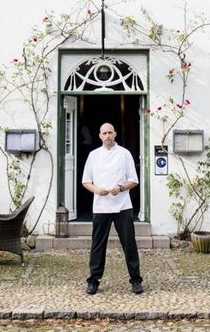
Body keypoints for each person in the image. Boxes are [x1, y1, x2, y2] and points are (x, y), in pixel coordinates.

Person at [81, 122, 143, 295]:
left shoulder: (124, 154)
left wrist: (121, 188)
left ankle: (136, 280)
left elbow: (134, 180)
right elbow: (86, 181)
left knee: (129, 244)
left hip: (123, 206)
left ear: (115, 134)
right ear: (100, 136)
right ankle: (93, 280)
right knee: (97, 245)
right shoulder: (93, 155)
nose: (107, 136)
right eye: (104, 133)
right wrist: (97, 190)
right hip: (101, 206)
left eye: (110, 132)